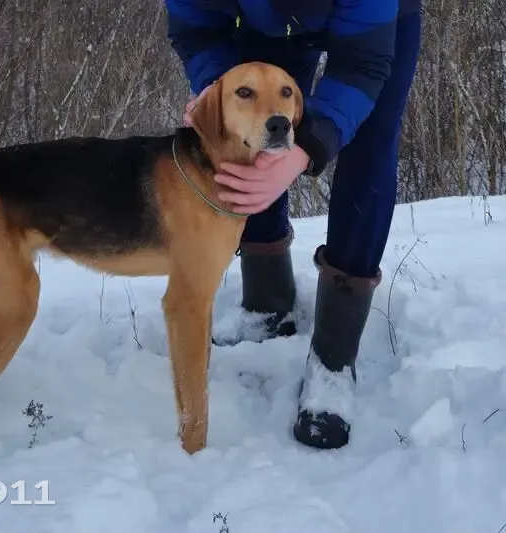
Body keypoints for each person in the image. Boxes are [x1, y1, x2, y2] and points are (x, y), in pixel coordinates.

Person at [164, 0, 422, 450]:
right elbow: (198, 29)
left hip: (375, 27)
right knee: (252, 130)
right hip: (259, 24)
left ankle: (334, 361)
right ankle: (268, 304)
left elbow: (362, 64)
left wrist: (311, 145)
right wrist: (219, 92)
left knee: (369, 148)